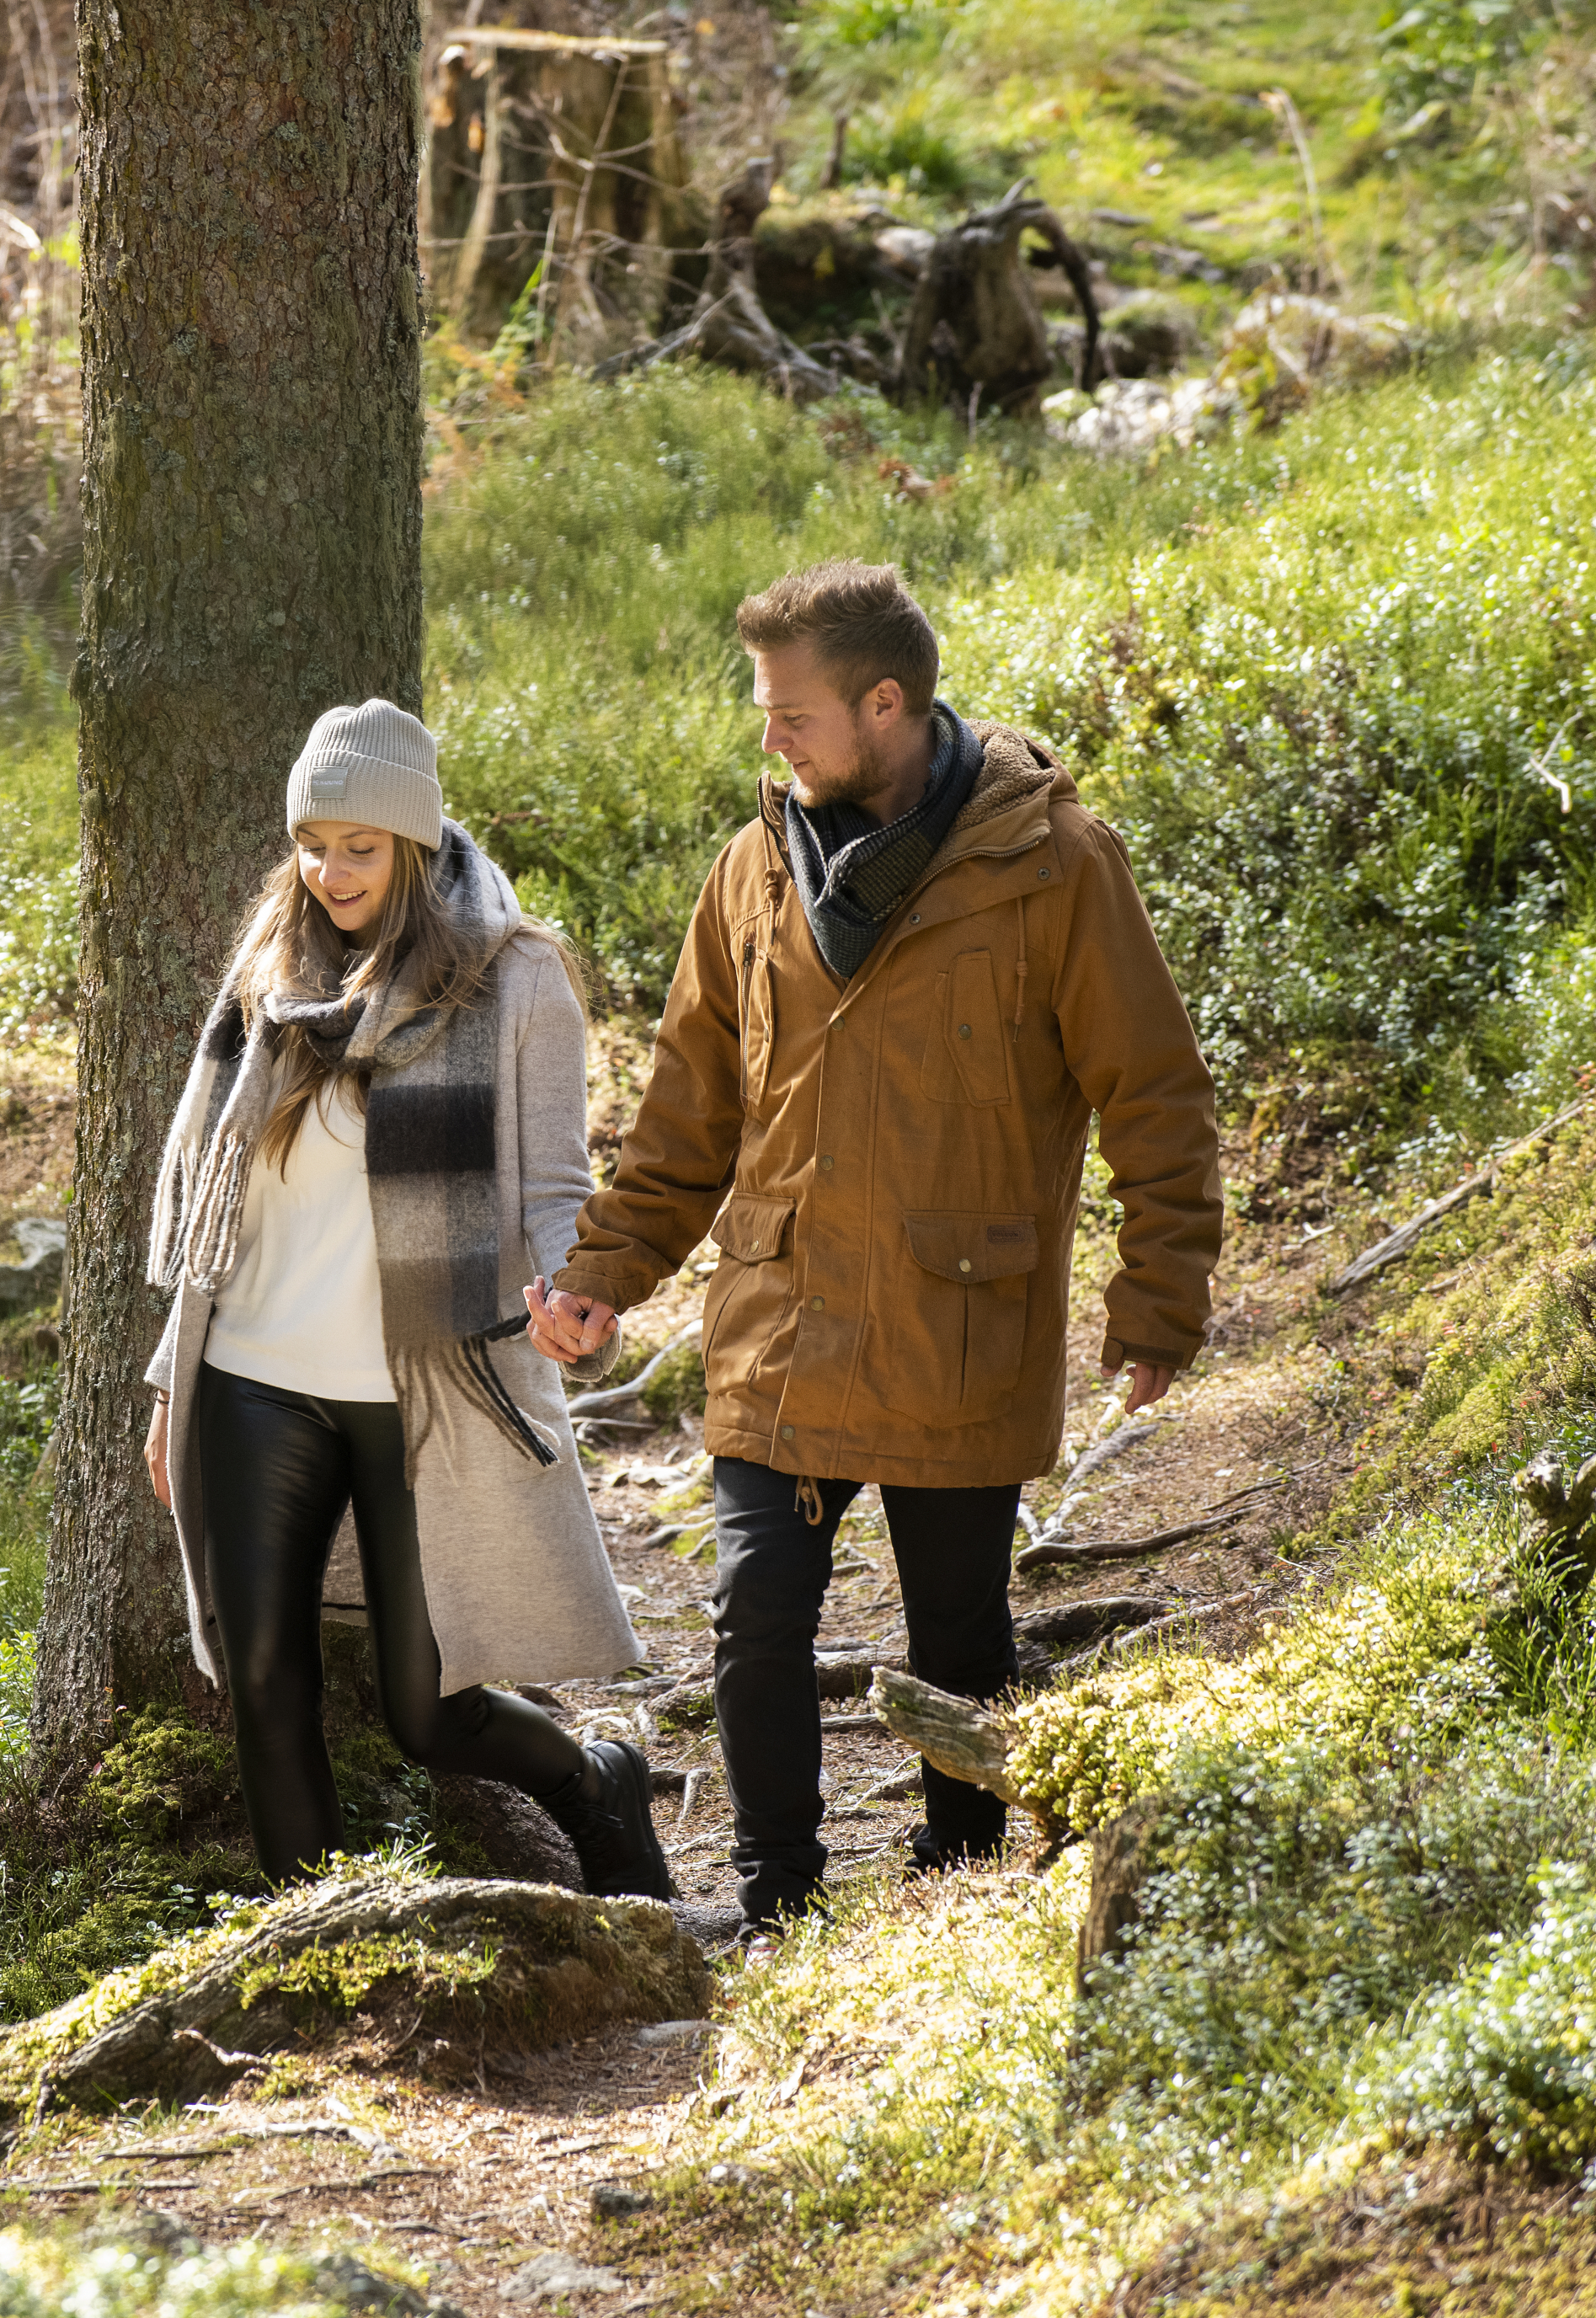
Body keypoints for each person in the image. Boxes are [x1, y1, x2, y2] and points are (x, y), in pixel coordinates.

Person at [522, 563, 1221, 1931]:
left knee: (959, 1635)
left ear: (885, 704)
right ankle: (778, 1896)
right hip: (781, 1319)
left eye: (792, 714)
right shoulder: (749, 872)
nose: (768, 739)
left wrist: (1159, 1305)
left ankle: (957, 1887)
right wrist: (606, 1275)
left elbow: (1156, 1091)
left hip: (960, 1325)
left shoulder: (1054, 866)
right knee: (755, 1613)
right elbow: (687, 1115)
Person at [143, 698, 678, 1900]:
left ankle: (595, 1780)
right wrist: (169, 1387)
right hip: (254, 1377)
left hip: (418, 1382)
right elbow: (222, 1205)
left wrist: (574, 1291)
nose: (329, 872)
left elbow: (553, 1182)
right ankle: (322, 1941)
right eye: (312, 843)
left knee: (428, 1711)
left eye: (360, 847)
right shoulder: (269, 972)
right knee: (263, 1675)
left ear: (417, 842)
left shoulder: (515, 976)